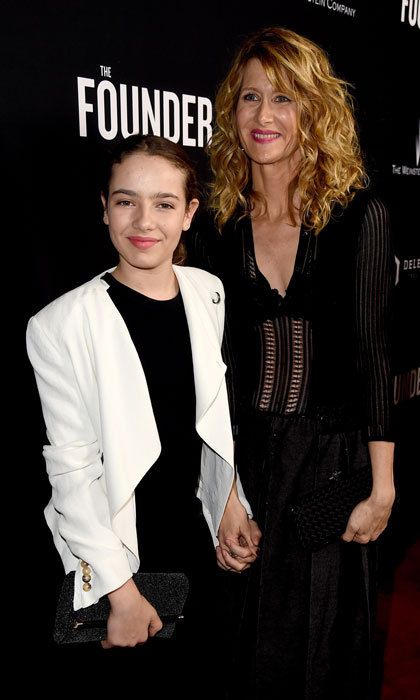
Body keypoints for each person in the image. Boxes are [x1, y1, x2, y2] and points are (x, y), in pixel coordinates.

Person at [186, 26, 395, 700]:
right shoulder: (216, 228)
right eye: (250, 98)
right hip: (244, 463)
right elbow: (208, 375)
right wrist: (218, 494)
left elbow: (373, 355)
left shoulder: (359, 216)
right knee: (241, 647)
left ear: (313, 109)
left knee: (322, 651)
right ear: (232, 111)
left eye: (284, 98)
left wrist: (382, 486)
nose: (265, 116)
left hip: (329, 467)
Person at [27, 134, 260, 688]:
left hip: (196, 546)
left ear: (189, 213)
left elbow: (209, 420)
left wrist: (229, 501)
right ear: (104, 208)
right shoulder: (59, 326)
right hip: (121, 549)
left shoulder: (208, 292)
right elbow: (74, 474)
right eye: (127, 200)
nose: (144, 221)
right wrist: (121, 593)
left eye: (164, 203)